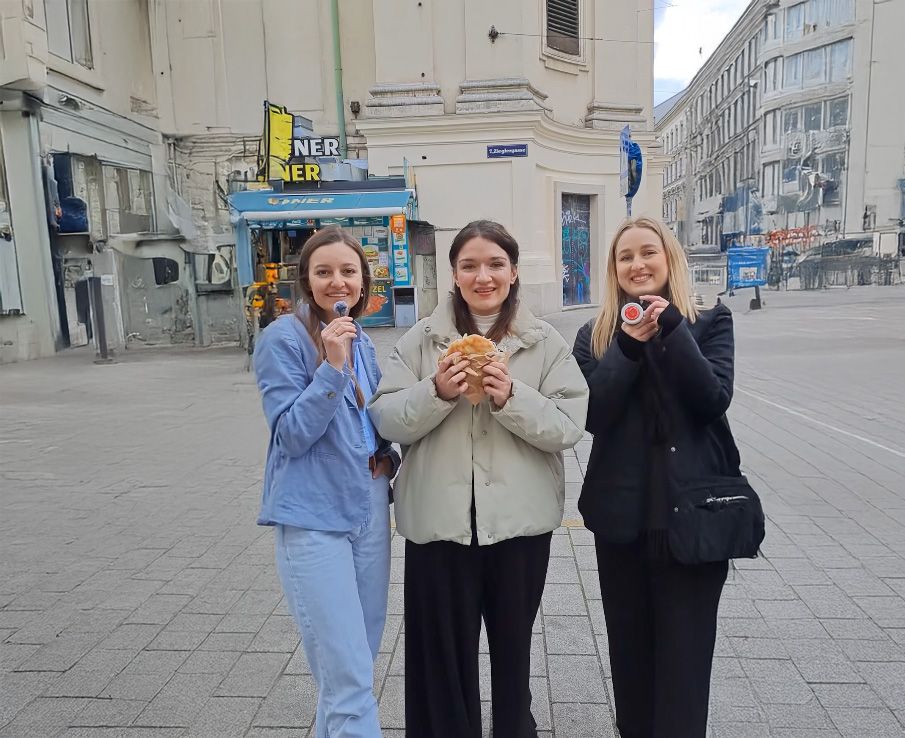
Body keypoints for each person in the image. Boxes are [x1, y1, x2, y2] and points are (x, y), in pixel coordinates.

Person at [369, 220, 588, 738]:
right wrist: (437, 391)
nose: (482, 276)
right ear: (453, 274)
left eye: (495, 264)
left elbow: (568, 426)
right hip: (438, 530)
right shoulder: (422, 339)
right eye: (469, 265)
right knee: (442, 661)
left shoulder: (543, 342)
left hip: (518, 530)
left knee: (513, 654)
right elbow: (384, 416)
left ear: (513, 272)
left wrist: (512, 396)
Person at [572, 216, 737, 738]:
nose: (638, 264)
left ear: (669, 260)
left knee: (685, 666)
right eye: (626, 257)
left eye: (649, 253)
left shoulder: (709, 322)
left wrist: (672, 331)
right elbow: (593, 415)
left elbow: (711, 399)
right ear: (614, 271)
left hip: (693, 517)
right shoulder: (594, 336)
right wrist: (626, 345)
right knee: (631, 657)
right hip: (622, 520)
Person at [253, 225, 399, 738]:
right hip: (313, 518)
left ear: (363, 281)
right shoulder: (283, 340)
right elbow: (290, 435)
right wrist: (331, 369)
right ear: (306, 281)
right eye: (324, 272)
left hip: (368, 508)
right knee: (350, 679)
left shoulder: (363, 342)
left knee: (354, 661)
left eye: (348, 271)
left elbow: (372, 421)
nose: (337, 282)